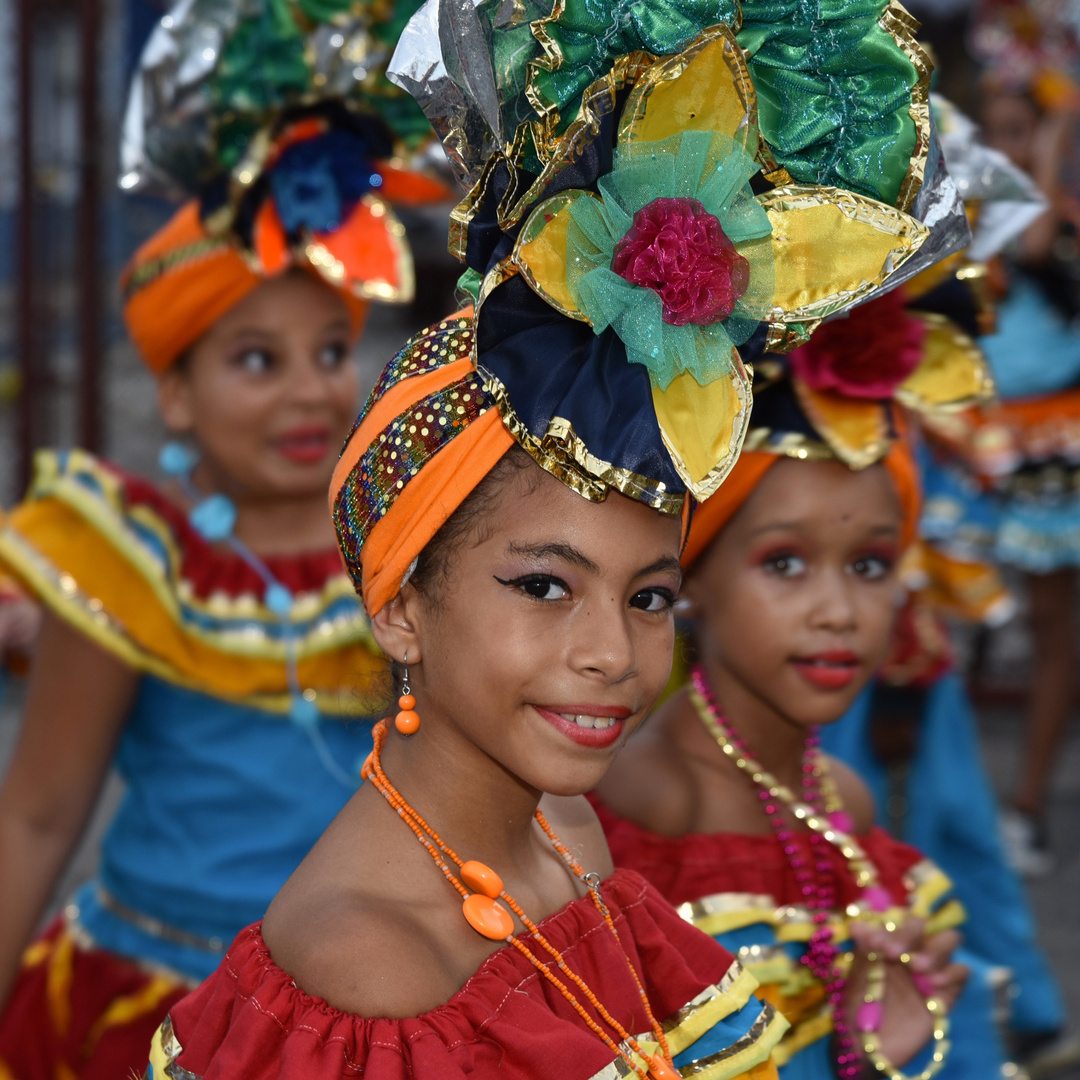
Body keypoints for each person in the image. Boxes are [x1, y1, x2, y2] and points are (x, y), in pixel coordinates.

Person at [141, 0, 963, 1075]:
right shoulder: (372, 974)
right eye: (543, 587)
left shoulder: (565, 838)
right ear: (399, 606)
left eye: (650, 596)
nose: (614, 657)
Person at [0, 1, 446, 1073]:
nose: (307, 391)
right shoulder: (134, 560)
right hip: (148, 1005)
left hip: (352, 1008)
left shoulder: (405, 551)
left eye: (329, 350)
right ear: (177, 393)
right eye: (256, 360)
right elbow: (40, 816)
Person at [594, 294, 1007, 1079]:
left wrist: (880, 1020)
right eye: (784, 562)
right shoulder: (646, 801)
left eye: (869, 566)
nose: (837, 612)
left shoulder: (837, 793)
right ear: (692, 577)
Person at [974, 73, 1080, 875]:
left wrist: (1058, 126)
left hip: (1049, 454)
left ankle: (1027, 806)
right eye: (998, 132)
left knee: (1052, 632)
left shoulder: (1056, 225)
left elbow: (1038, 240)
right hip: (963, 446)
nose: (1008, 148)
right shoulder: (963, 222)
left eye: (1024, 132)